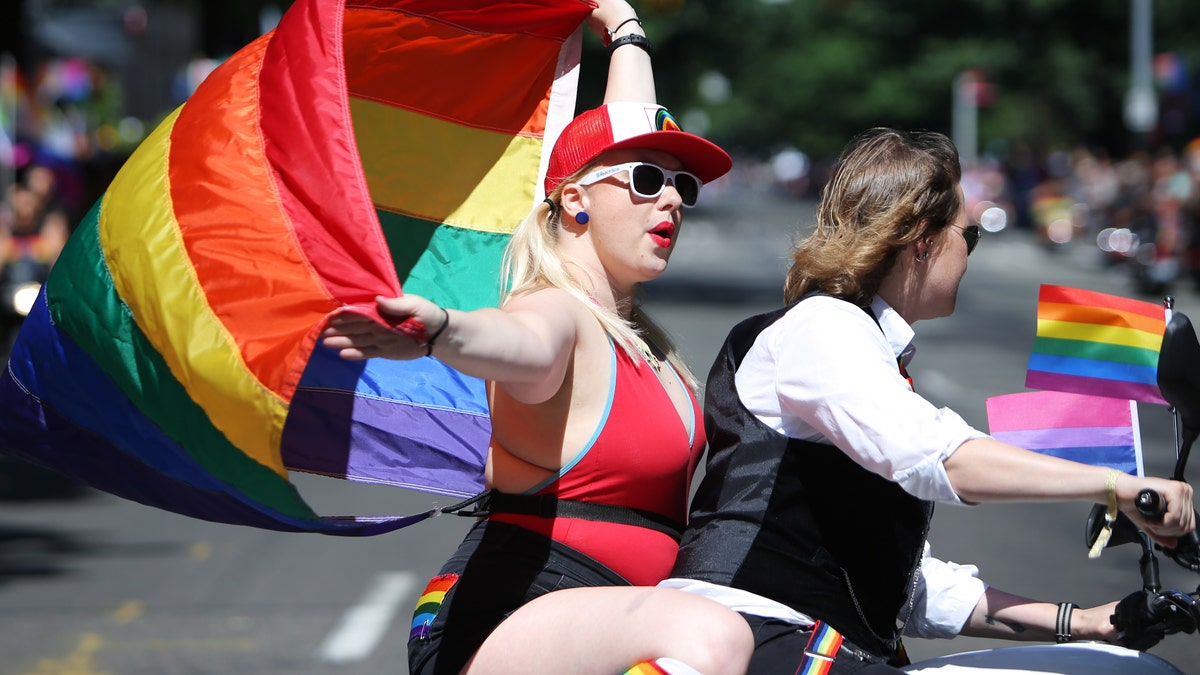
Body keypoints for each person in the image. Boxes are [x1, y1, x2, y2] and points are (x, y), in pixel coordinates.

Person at [661, 127, 1197, 674]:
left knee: (1123, 668)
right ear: (922, 237)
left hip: (815, 641)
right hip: (752, 635)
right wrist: (1121, 487)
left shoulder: (862, 347)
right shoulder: (823, 325)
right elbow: (940, 457)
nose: (969, 255)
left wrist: (1082, 622)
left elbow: (900, 584)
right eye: (970, 236)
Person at [320, 2, 752, 673]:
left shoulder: (642, 338)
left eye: (682, 185)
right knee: (713, 638)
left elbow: (625, 131)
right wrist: (443, 331)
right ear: (576, 201)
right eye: (646, 180)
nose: (670, 199)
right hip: (509, 612)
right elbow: (519, 344)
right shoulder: (556, 311)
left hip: (617, 622)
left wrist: (626, 29)